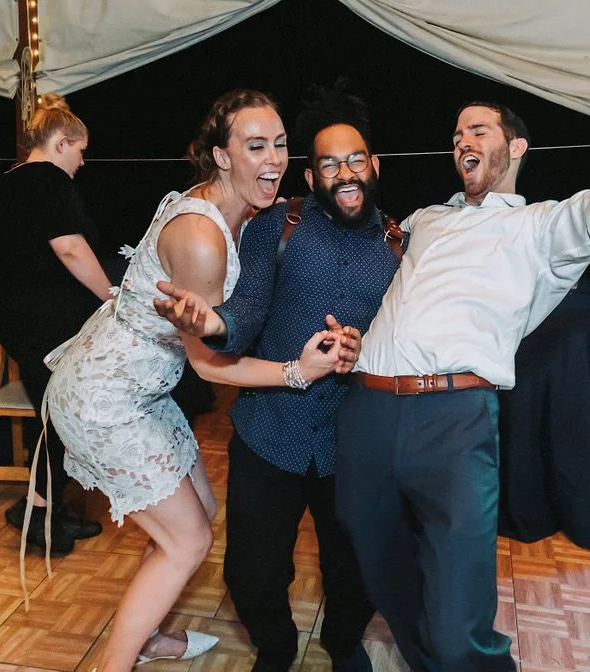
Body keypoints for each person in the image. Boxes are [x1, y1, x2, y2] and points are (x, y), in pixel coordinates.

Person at [333, 0, 590, 671]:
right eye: (458, 132)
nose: (463, 139)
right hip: (368, 408)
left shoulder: (542, 226)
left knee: (463, 618)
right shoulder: (427, 218)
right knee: (376, 560)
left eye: (480, 130)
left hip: (454, 421)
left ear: (516, 146)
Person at [40, 89, 358, 672]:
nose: (273, 159)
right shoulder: (202, 237)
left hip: (143, 390)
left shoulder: (236, 208)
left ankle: (148, 634)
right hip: (107, 400)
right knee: (187, 541)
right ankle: (115, 664)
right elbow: (209, 364)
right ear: (221, 157)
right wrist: (297, 371)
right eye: (255, 146)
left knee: (197, 511)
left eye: (281, 145)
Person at [154, 83, 399, 671]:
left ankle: (342, 643)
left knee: (356, 565)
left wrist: (366, 348)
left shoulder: (400, 248)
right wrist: (216, 325)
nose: (345, 171)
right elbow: (249, 313)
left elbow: (407, 345)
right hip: (271, 431)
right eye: (328, 162)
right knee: (252, 571)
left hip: (352, 442)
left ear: (374, 168)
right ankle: (277, 644)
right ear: (311, 178)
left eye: (356, 158)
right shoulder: (279, 227)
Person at [0, 93, 110, 555]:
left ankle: (45, 508)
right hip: (43, 322)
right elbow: (70, 249)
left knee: (52, 412)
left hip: (9, 318)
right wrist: (111, 297)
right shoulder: (48, 181)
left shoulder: (2, 183)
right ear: (59, 143)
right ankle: (34, 510)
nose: (82, 161)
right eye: (80, 150)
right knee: (61, 414)